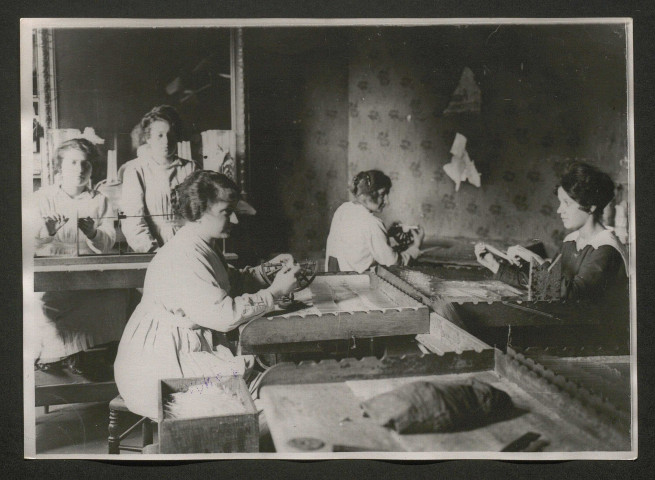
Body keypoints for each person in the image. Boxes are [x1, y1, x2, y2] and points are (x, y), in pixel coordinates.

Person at [114, 171, 300, 419]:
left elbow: (229, 282)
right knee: (270, 406)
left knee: (272, 393)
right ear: (199, 211)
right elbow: (223, 315)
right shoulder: (185, 254)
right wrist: (275, 291)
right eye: (226, 211)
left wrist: (267, 272)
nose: (234, 219)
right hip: (159, 364)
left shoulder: (201, 244)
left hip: (180, 349)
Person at [32, 138, 128, 372]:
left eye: (85, 164)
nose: (80, 169)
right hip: (52, 275)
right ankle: (63, 355)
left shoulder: (100, 200)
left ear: (92, 168)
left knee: (117, 299)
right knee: (46, 307)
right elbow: (26, 241)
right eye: (73, 162)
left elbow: (107, 244)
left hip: (91, 274)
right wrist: (47, 231)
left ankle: (82, 356)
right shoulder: (43, 197)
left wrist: (93, 233)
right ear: (60, 166)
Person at [475, 161, 628, 304]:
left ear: (591, 206)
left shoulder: (607, 249)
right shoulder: (571, 241)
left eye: (566, 203)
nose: (559, 210)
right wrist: (494, 265)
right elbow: (546, 284)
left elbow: (572, 294)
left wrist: (535, 259)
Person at [120, 105, 196, 253]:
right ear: (148, 138)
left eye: (171, 134)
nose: (166, 141)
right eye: (160, 135)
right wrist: (152, 249)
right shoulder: (136, 169)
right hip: (153, 245)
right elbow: (132, 218)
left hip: (189, 243)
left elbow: (200, 213)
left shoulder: (191, 168)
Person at [325, 169, 425, 273]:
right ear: (366, 195)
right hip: (359, 285)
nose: (387, 201)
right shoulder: (372, 223)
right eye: (382, 194)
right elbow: (394, 263)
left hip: (334, 279)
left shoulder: (343, 209)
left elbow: (358, 248)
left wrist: (387, 235)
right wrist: (416, 247)